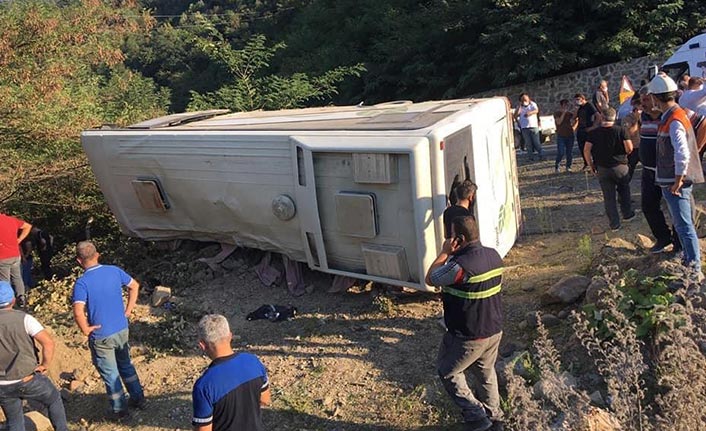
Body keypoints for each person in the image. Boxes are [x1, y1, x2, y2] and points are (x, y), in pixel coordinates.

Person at [425, 216, 504, 431]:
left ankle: (477, 418)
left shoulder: (459, 266)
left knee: (448, 371)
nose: (447, 239)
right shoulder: (494, 255)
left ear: (458, 239)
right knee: (485, 372)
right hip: (494, 329)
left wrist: (444, 252)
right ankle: (495, 418)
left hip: (469, 334)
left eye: (449, 237)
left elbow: (431, 278)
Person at [71, 241, 145, 418]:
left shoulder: (82, 283)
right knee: (126, 364)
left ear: (79, 261)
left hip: (101, 334)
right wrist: (128, 310)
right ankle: (138, 398)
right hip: (121, 328)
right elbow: (134, 286)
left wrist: (85, 329)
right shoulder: (114, 270)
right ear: (97, 255)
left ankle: (119, 410)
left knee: (110, 373)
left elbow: (78, 311)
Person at [648, 74, 704, 272]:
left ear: (656, 97)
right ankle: (690, 262)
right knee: (682, 224)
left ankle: (693, 268)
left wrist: (678, 180)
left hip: (675, 181)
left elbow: (682, 153)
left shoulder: (673, 120)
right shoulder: (675, 115)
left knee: (683, 225)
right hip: (674, 179)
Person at [0, 281, 69, 431]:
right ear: (13, 300)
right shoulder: (25, 319)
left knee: (14, 422)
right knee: (53, 399)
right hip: (27, 378)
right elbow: (48, 343)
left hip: (2, 384)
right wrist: (44, 365)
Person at [192, 314, 271, 431]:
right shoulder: (253, 361)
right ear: (230, 336)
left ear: (202, 345)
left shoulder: (203, 386)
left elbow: (204, 429)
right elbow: (265, 399)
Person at [638, 87, 679, 253]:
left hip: (669, 173)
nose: (643, 105)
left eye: (646, 100)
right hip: (649, 172)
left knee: (676, 209)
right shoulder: (643, 116)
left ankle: (679, 244)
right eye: (641, 101)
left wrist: (696, 150)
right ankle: (663, 238)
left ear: (655, 98)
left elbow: (702, 123)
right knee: (648, 206)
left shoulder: (671, 116)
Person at [584, 107, 635, 231]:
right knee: (624, 191)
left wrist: (591, 165)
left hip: (603, 168)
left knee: (608, 197)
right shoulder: (621, 130)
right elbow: (629, 148)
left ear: (601, 117)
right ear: (615, 117)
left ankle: (614, 224)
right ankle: (627, 214)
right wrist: (623, 155)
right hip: (620, 166)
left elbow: (586, 150)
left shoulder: (593, 133)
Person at [0, 213, 32, 308]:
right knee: (17, 278)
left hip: (2, 256)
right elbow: (28, 226)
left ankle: (7, 303)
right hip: (15, 254)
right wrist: (18, 240)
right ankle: (21, 299)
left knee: (4, 281)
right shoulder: (11, 220)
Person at [514, 93, 543, 161]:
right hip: (524, 128)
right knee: (528, 143)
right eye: (523, 99)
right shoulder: (520, 107)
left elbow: (536, 110)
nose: (525, 100)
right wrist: (518, 123)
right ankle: (531, 157)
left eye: (526, 98)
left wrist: (530, 113)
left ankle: (541, 155)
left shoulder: (532, 104)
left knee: (536, 142)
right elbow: (515, 115)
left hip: (533, 126)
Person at [575, 93, 598, 171]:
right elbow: (576, 118)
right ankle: (586, 163)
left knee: (592, 148)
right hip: (581, 130)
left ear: (582, 98)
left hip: (588, 129)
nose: (577, 101)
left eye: (578, 99)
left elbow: (598, 116)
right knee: (582, 148)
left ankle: (595, 164)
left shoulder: (589, 105)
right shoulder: (580, 108)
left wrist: (593, 127)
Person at [553, 99, 577, 172]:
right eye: (564, 105)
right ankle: (557, 165)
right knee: (561, 152)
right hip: (561, 135)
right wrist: (563, 113)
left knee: (569, 152)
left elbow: (576, 119)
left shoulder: (570, 114)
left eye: (567, 105)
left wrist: (574, 128)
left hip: (570, 135)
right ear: (561, 105)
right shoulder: (557, 113)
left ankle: (568, 166)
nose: (566, 106)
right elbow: (559, 122)